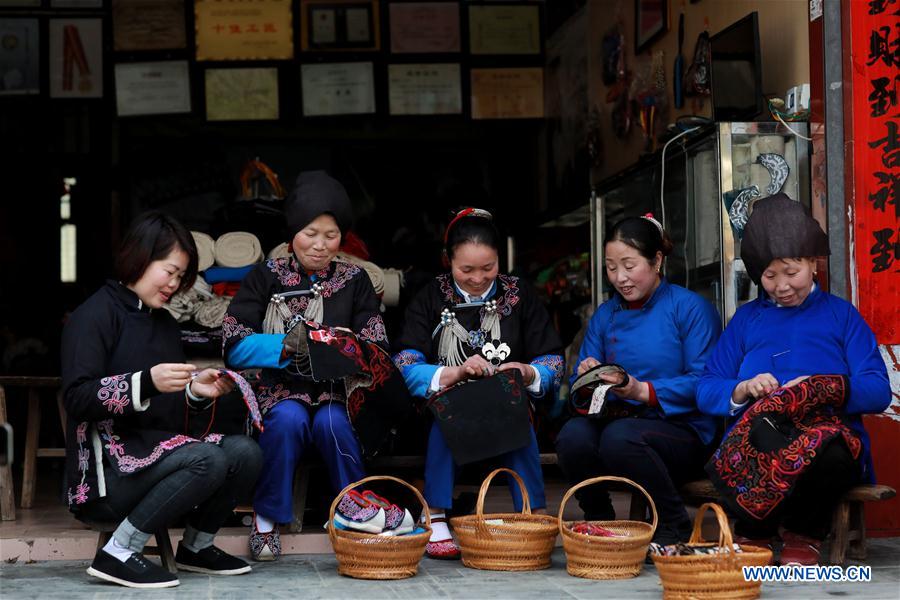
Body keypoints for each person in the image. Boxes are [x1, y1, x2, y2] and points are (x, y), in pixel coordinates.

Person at [61, 211, 262, 589]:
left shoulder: (164, 323)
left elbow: (169, 419)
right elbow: (76, 396)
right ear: (140, 256)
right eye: (169, 271)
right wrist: (145, 382)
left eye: (181, 277)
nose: (174, 284)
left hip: (155, 458)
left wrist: (195, 393)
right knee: (207, 459)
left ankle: (196, 546)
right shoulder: (92, 316)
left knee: (245, 452)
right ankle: (118, 552)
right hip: (109, 474)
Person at [223, 171, 408, 561]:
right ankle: (267, 520)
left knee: (332, 423)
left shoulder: (355, 280)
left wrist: (347, 345)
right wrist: (286, 345)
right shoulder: (264, 277)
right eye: (311, 233)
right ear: (292, 231)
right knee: (288, 420)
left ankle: (353, 513)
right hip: (279, 391)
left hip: (336, 393)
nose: (321, 245)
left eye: (331, 235)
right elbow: (234, 344)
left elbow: (378, 346)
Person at [698, 194, 890, 566]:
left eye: (791, 272)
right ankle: (756, 531)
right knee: (760, 440)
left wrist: (819, 387)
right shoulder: (747, 320)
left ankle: (805, 532)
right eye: (769, 276)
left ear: (812, 262)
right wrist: (742, 388)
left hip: (829, 434)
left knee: (831, 458)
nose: (781, 286)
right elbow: (707, 387)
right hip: (767, 430)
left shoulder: (841, 316)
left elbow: (878, 389)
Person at [393, 208, 564, 559]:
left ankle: (530, 513)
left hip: (508, 400)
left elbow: (553, 360)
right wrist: (453, 374)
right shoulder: (429, 296)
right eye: (466, 270)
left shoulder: (519, 294)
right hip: (446, 402)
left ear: (500, 258)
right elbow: (405, 363)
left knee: (516, 417)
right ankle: (436, 514)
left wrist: (527, 372)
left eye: (488, 268)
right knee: (449, 416)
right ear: (448, 260)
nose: (477, 278)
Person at [554, 215, 721, 545]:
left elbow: (706, 382)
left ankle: (674, 525)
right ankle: (601, 522)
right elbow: (579, 392)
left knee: (620, 438)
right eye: (611, 267)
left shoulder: (690, 309)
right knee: (573, 437)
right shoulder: (606, 314)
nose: (620, 278)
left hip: (682, 428)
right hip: (620, 421)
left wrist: (640, 390)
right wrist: (588, 377)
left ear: (657, 260)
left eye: (629, 265)